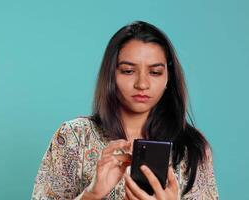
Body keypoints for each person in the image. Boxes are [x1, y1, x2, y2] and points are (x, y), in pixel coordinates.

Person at [31, 21, 219, 200]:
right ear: (111, 73)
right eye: (128, 71)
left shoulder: (192, 149)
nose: (142, 84)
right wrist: (91, 194)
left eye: (155, 72)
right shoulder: (74, 136)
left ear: (168, 77)